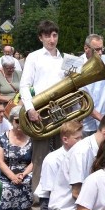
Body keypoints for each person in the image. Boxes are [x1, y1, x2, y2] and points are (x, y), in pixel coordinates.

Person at [19, 20, 67, 194]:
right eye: (47, 36)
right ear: (41, 38)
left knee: (64, 154)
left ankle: (60, 198)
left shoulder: (66, 59)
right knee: (40, 158)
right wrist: (30, 108)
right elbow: (24, 85)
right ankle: (38, 203)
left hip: (63, 111)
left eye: (54, 35)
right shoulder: (34, 57)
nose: (51, 39)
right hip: (41, 110)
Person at [36, 120, 84, 210]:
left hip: (74, 203)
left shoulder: (83, 154)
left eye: (82, 137)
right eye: (77, 138)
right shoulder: (52, 159)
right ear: (65, 139)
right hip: (54, 205)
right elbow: (47, 194)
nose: (81, 141)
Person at [0, 106, 33, 210]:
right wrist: (12, 176)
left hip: (26, 172)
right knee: (4, 187)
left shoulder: (33, 137)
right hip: (6, 172)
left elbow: (35, 160)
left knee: (32, 181)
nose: (21, 124)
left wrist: (23, 174)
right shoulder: (2, 137)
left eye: (25, 121)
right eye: (17, 121)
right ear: (11, 120)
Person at [81, 34, 105, 137]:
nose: (100, 53)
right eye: (96, 49)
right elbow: (82, 99)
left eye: (102, 49)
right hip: (85, 123)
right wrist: (102, 118)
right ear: (86, 48)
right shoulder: (78, 64)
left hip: (104, 120)